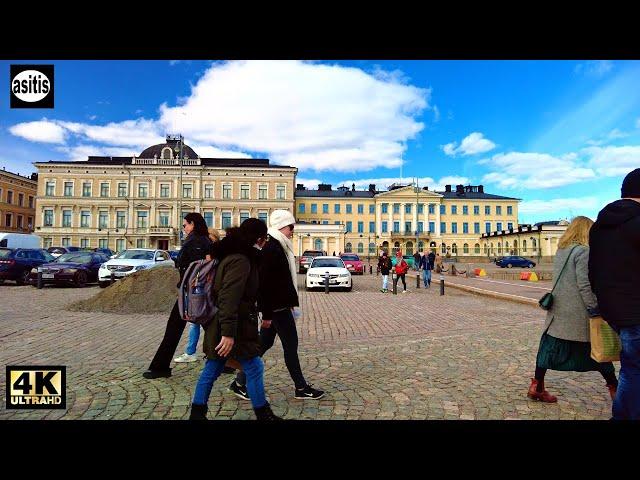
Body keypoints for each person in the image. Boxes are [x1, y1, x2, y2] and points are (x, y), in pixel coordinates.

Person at [189, 218, 281, 420]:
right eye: (264, 239)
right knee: (253, 367)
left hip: (227, 324)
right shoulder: (241, 260)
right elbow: (229, 297)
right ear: (257, 238)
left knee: (213, 367)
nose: (264, 243)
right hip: (234, 327)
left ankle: (197, 413)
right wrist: (228, 334)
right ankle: (263, 414)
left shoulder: (233, 254)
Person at [229, 210, 325, 401]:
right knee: (290, 346)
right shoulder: (273, 247)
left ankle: (239, 382)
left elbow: (282, 281)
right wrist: (267, 313)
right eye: (291, 227)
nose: (292, 231)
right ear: (282, 225)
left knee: (263, 344)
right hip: (276, 309)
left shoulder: (278, 244)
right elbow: (265, 284)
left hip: (278, 307)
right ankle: (301, 387)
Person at [527, 216, 618, 403]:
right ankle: (615, 390)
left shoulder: (562, 250)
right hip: (578, 313)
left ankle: (536, 386)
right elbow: (584, 284)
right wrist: (594, 308)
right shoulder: (584, 251)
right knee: (599, 349)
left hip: (558, 312)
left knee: (547, 349)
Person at [589, 168, 640, 420]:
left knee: (632, 368)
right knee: (634, 370)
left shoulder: (599, 227)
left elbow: (593, 271)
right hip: (636, 310)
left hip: (614, 310)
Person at [143, 213, 213, 379]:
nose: (184, 229)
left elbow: (191, 266)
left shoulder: (195, 240)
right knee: (208, 325)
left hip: (190, 291)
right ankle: (226, 361)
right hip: (196, 290)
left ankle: (160, 367)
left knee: (174, 327)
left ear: (193, 224)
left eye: (185, 225)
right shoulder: (206, 240)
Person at [173, 228, 221, 364]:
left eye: (210, 240)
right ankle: (192, 351)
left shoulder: (215, 255)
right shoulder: (204, 253)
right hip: (200, 293)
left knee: (206, 324)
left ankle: (208, 352)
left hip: (210, 294)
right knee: (195, 323)